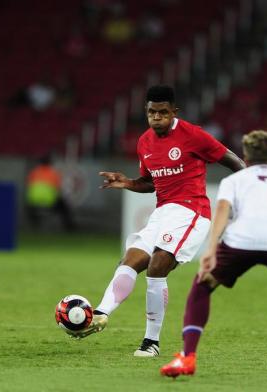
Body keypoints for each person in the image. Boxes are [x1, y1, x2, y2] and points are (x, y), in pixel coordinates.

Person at [73, 85, 245, 356]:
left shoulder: (194, 135)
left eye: (162, 112)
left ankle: (150, 342)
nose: (156, 117)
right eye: (152, 112)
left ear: (173, 112)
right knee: (130, 260)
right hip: (162, 212)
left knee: (157, 265)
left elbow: (233, 161)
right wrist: (128, 182)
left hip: (192, 211)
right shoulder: (144, 142)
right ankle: (99, 314)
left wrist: (251, 187)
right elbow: (150, 183)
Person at [160, 130, 267, 387]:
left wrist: (210, 249)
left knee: (203, 285)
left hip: (242, 241)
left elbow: (222, 211)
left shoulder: (236, 180)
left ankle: (187, 357)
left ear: (245, 156)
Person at [26, 155, 76, 231]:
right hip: (49, 202)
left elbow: (29, 186)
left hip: (33, 202)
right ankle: (69, 227)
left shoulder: (34, 172)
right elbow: (58, 189)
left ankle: (34, 226)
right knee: (64, 207)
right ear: (50, 163)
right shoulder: (53, 173)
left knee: (29, 207)